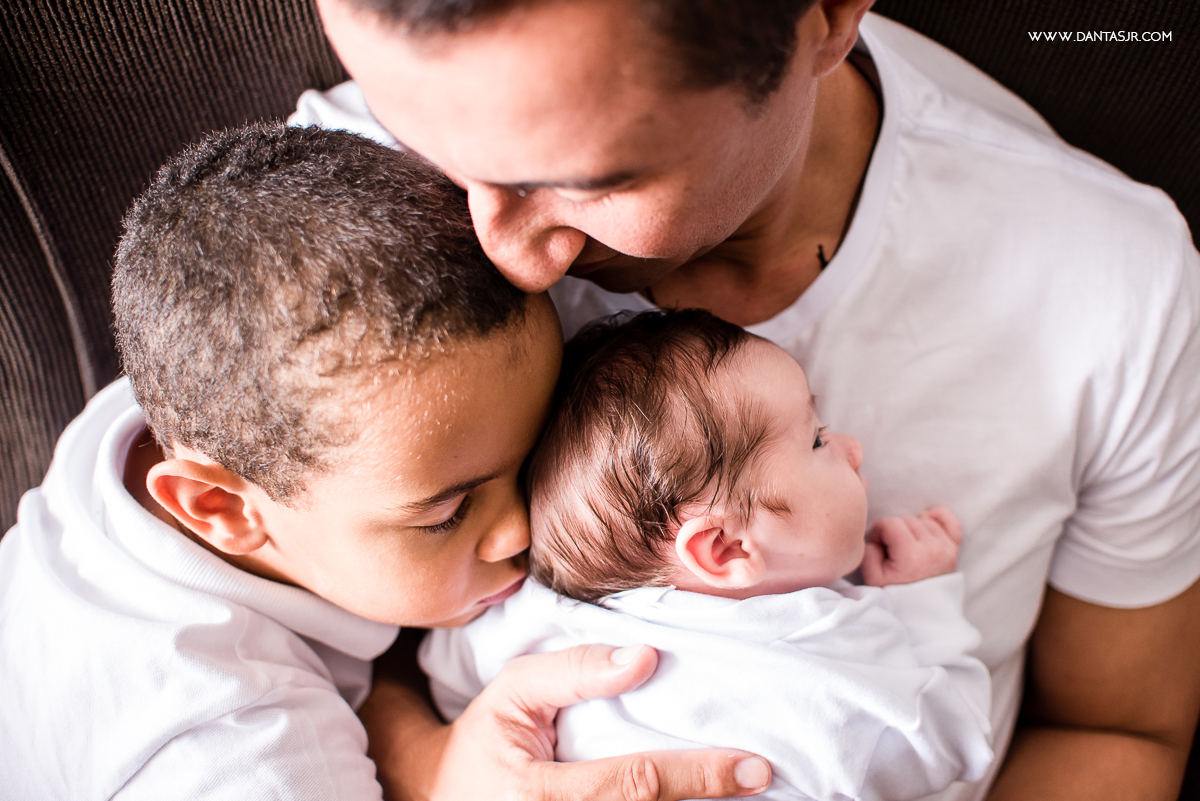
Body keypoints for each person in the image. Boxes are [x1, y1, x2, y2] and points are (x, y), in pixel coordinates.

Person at [294, 0, 1200, 799]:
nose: (506, 256)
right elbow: (250, 657)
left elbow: (1117, 728)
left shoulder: (1113, 281)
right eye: (430, 149)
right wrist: (427, 768)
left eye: (586, 181)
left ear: (827, 16)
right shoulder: (319, 220)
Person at [0, 123, 770, 800]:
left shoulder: (198, 395)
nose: (520, 526)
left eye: (532, 452)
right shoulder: (236, 754)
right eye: (448, 511)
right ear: (221, 508)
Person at [421, 309, 995, 800]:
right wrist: (921, 597)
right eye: (817, 440)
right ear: (726, 548)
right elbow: (953, 737)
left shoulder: (533, 617)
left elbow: (449, 682)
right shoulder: (826, 638)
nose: (853, 448)